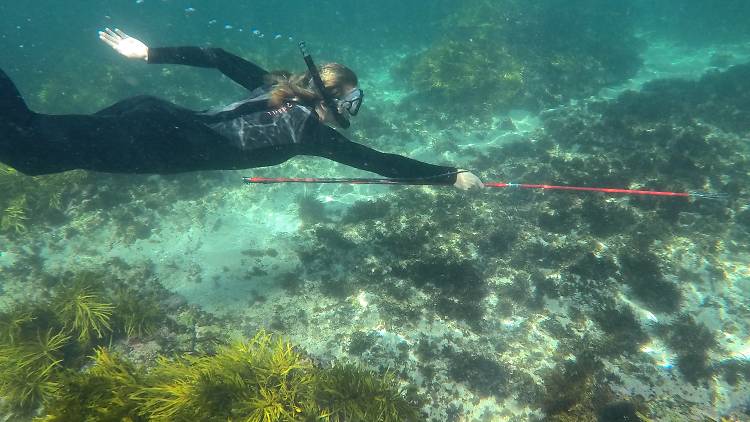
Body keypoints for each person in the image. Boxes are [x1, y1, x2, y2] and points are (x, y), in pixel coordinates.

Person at [0, 28, 484, 190]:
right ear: (331, 97)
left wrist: (148, 54)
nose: (354, 111)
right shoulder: (311, 135)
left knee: (29, 135)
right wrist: (449, 175)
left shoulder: (273, 86)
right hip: (155, 143)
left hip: (151, 117)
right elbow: (381, 164)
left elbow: (215, 57)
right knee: (29, 153)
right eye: (353, 100)